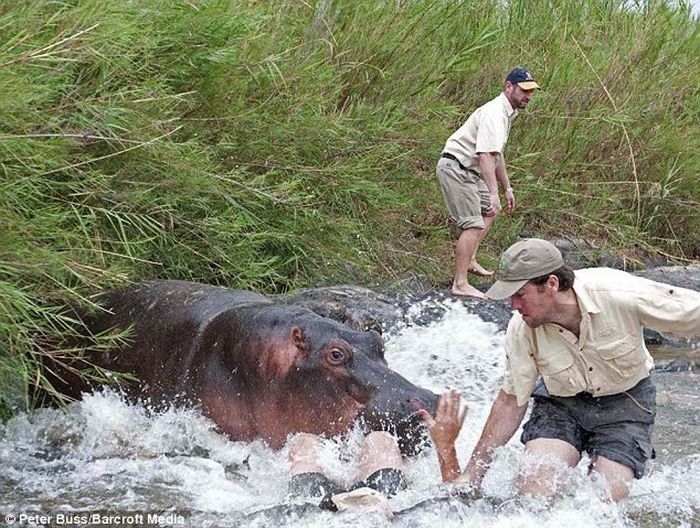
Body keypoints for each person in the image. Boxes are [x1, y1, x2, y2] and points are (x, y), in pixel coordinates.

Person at [419, 238, 700, 502]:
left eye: (519, 295)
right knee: (534, 493)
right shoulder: (521, 328)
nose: (513, 305)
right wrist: (472, 475)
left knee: (602, 502)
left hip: (626, 405)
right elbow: (510, 400)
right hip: (560, 404)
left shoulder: (617, 293)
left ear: (551, 283)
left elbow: (691, 313)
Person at [436, 67, 539, 298]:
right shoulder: (495, 112)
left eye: (531, 91)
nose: (528, 96)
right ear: (508, 87)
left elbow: (496, 154)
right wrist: (493, 193)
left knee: (491, 211)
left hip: (469, 171)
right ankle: (460, 284)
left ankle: (470, 258)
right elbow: (484, 156)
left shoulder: (506, 113)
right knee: (473, 224)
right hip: (456, 168)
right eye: (524, 90)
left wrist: (507, 188)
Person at [287, 431, 406, 512]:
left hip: (316, 506)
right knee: (381, 440)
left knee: (303, 442)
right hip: (381, 503)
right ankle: (355, 476)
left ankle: (353, 477)